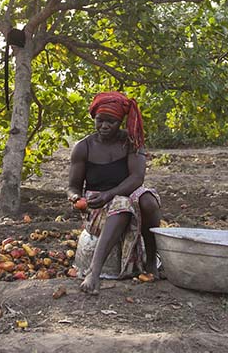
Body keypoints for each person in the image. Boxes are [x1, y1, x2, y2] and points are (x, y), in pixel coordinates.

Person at [67, 91, 162, 294]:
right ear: (94, 118)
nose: (104, 126)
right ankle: (94, 271)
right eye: (100, 121)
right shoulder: (84, 147)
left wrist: (110, 194)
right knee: (121, 204)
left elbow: (137, 178)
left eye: (111, 122)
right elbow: (73, 187)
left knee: (148, 201)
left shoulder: (131, 142)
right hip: (99, 207)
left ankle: (152, 259)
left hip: (125, 197)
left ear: (120, 121)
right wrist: (76, 198)